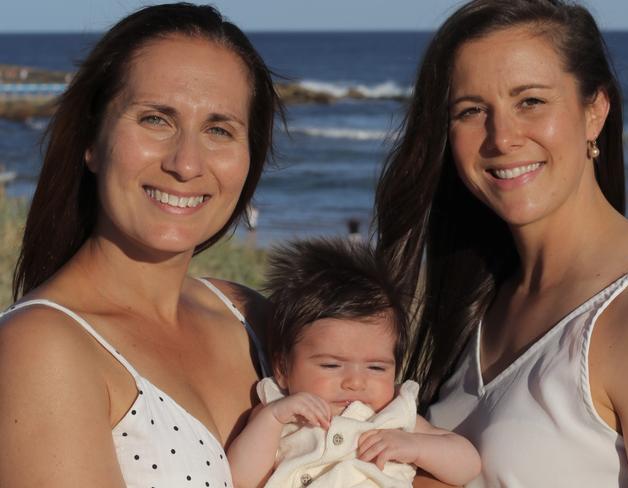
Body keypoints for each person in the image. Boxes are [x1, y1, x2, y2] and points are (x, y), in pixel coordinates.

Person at [0, 3, 283, 487]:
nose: (187, 163)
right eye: (156, 119)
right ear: (93, 140)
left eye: (219, 129)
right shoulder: (41, 349)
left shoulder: (251, 316)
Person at [375, 0, 628, 486]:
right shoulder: (480, 297)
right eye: (472, 110)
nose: (501, 137)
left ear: (594, 112)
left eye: (531, 101)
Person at [227, 239, 481, 487]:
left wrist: (416, 447)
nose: (356, 382)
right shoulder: (280, 414)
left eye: (376, 368)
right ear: (283, 369)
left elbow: (468, 466)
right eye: (331, 366)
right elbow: (241, 479)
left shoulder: (394, 415)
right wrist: (273, 417)